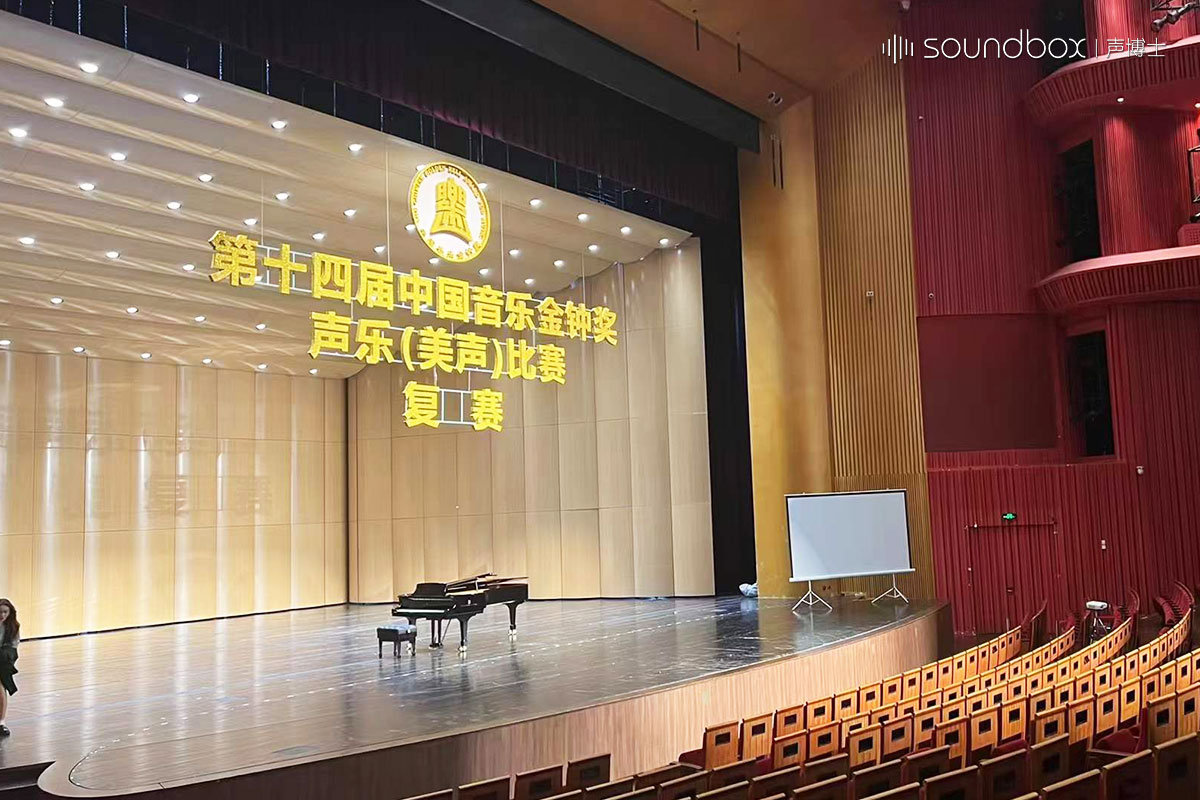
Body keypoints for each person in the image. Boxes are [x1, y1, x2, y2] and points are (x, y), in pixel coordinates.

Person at [0, 598, 18, 738]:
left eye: (5, 612)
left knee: (1, 689)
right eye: (0, 612)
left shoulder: (13, 627)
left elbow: (14, 645)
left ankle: (1, 722)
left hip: (4, 660)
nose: (2, 615)